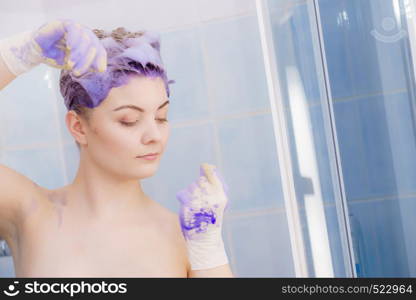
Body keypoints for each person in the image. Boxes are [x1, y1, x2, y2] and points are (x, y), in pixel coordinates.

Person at [0, 19, 233, 277]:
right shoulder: (27, 211)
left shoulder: (185, 238)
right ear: (78, 127)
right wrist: (20, 54)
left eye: (161, 117)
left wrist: (208, 250)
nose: (154, 135)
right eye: (129, 120)